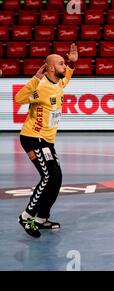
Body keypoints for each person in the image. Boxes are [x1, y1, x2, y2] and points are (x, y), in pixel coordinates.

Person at [15, 44, 78, 238]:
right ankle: (27, 216)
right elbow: (19, 98)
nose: (63, 66)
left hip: (47, 140)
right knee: (48, 176)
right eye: (60, 63)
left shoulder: (58, 83)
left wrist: (72, 64)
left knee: (56, 178)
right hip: (33, 138)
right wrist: (35, 79)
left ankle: (42, 218)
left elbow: (66, 77)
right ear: (50, 68)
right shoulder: (40, 88)